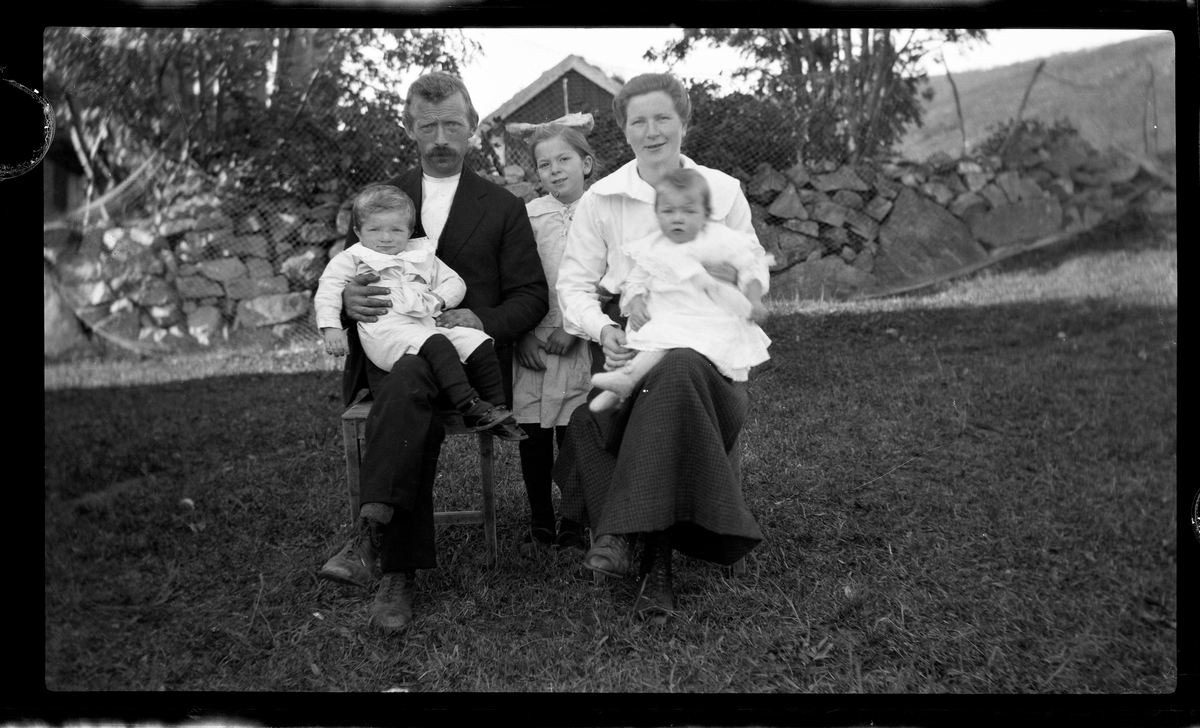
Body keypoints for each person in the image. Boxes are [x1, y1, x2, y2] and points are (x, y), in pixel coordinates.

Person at [316, 72, 549, 634]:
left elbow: (532, 295)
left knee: (406, 389)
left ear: (473, 126)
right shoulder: (384, 198)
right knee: (405, 379)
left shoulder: (500, 205)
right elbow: (341, 277)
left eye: (452, 124)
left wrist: (481, 318)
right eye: (428, 126)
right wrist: (348, 301)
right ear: (409, 129)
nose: (441, 137)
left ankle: (380, 546)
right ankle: (394, 566)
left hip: (464, 355)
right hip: (394, 347)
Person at [554, 72, 766, 623]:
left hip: (712, 362)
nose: (652, 132)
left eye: (662, 118)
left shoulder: (722, 191)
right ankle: (657, 565)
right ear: (623, 132)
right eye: (638, 122)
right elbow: (575, 285)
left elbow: (751, 269)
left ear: (684, 122)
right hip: (635, 349)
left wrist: (728, 284)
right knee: (652, 386)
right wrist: (605, 332)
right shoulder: (602, 199)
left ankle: (630, 541)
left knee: (671, 376)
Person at [314, 184, 525, 441]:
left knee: (477, 341)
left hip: (426, 323)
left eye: (396, 230)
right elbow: (328, 289)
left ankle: (496, 408)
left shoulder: (421, 256)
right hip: (384, 331)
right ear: (358, 231)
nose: (386, 238)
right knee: (435, 343)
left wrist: (439, 298)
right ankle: (469, 406)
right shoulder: (353, 258)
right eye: (375, 230)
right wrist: (331, 327)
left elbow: (454, 282)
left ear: (409, 231)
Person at [590, 168, 772, 413]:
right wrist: (636, 302)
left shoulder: (719, 240)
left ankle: (627, 382)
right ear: (657, 214)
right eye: (668, 211)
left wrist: (753, 300)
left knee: (672, 340)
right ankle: (621, 388)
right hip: (667, 313)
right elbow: (635, 279)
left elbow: (750, 266)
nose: (677, 218)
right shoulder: (655, 246)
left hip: (708, 316)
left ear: (706, 214)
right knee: (654, 335)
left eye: (688, 211)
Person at [506, 116, 596, 554]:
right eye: (544, 164)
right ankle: (540, 519)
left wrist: (576, 327)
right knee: (534, 431)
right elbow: (515, 278)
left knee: (576, 430)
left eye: (564, 159)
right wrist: (521, 334)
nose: (555, 170)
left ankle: (575, 522)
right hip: (535, 340)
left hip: (581, 337)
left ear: (587, 163)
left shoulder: (602, 211)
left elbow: (609, 276)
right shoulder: (527, 215)